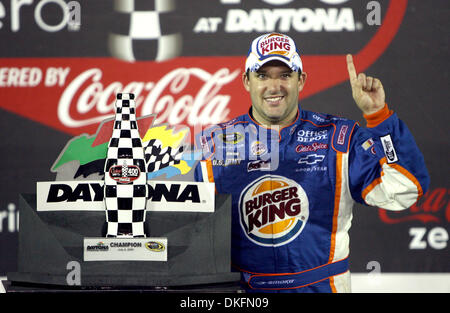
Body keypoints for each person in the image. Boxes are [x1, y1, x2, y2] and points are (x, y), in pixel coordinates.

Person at [194, 32, 429, 293]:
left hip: (321, 287)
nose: (274, 86)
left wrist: (378, 117)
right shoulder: (213, 144)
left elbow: (405, 191)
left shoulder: (339, 137)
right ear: (246, 81)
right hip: (243, 292)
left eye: (285, 75)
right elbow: (190, 234)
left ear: (301, 80)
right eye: (262, 76)